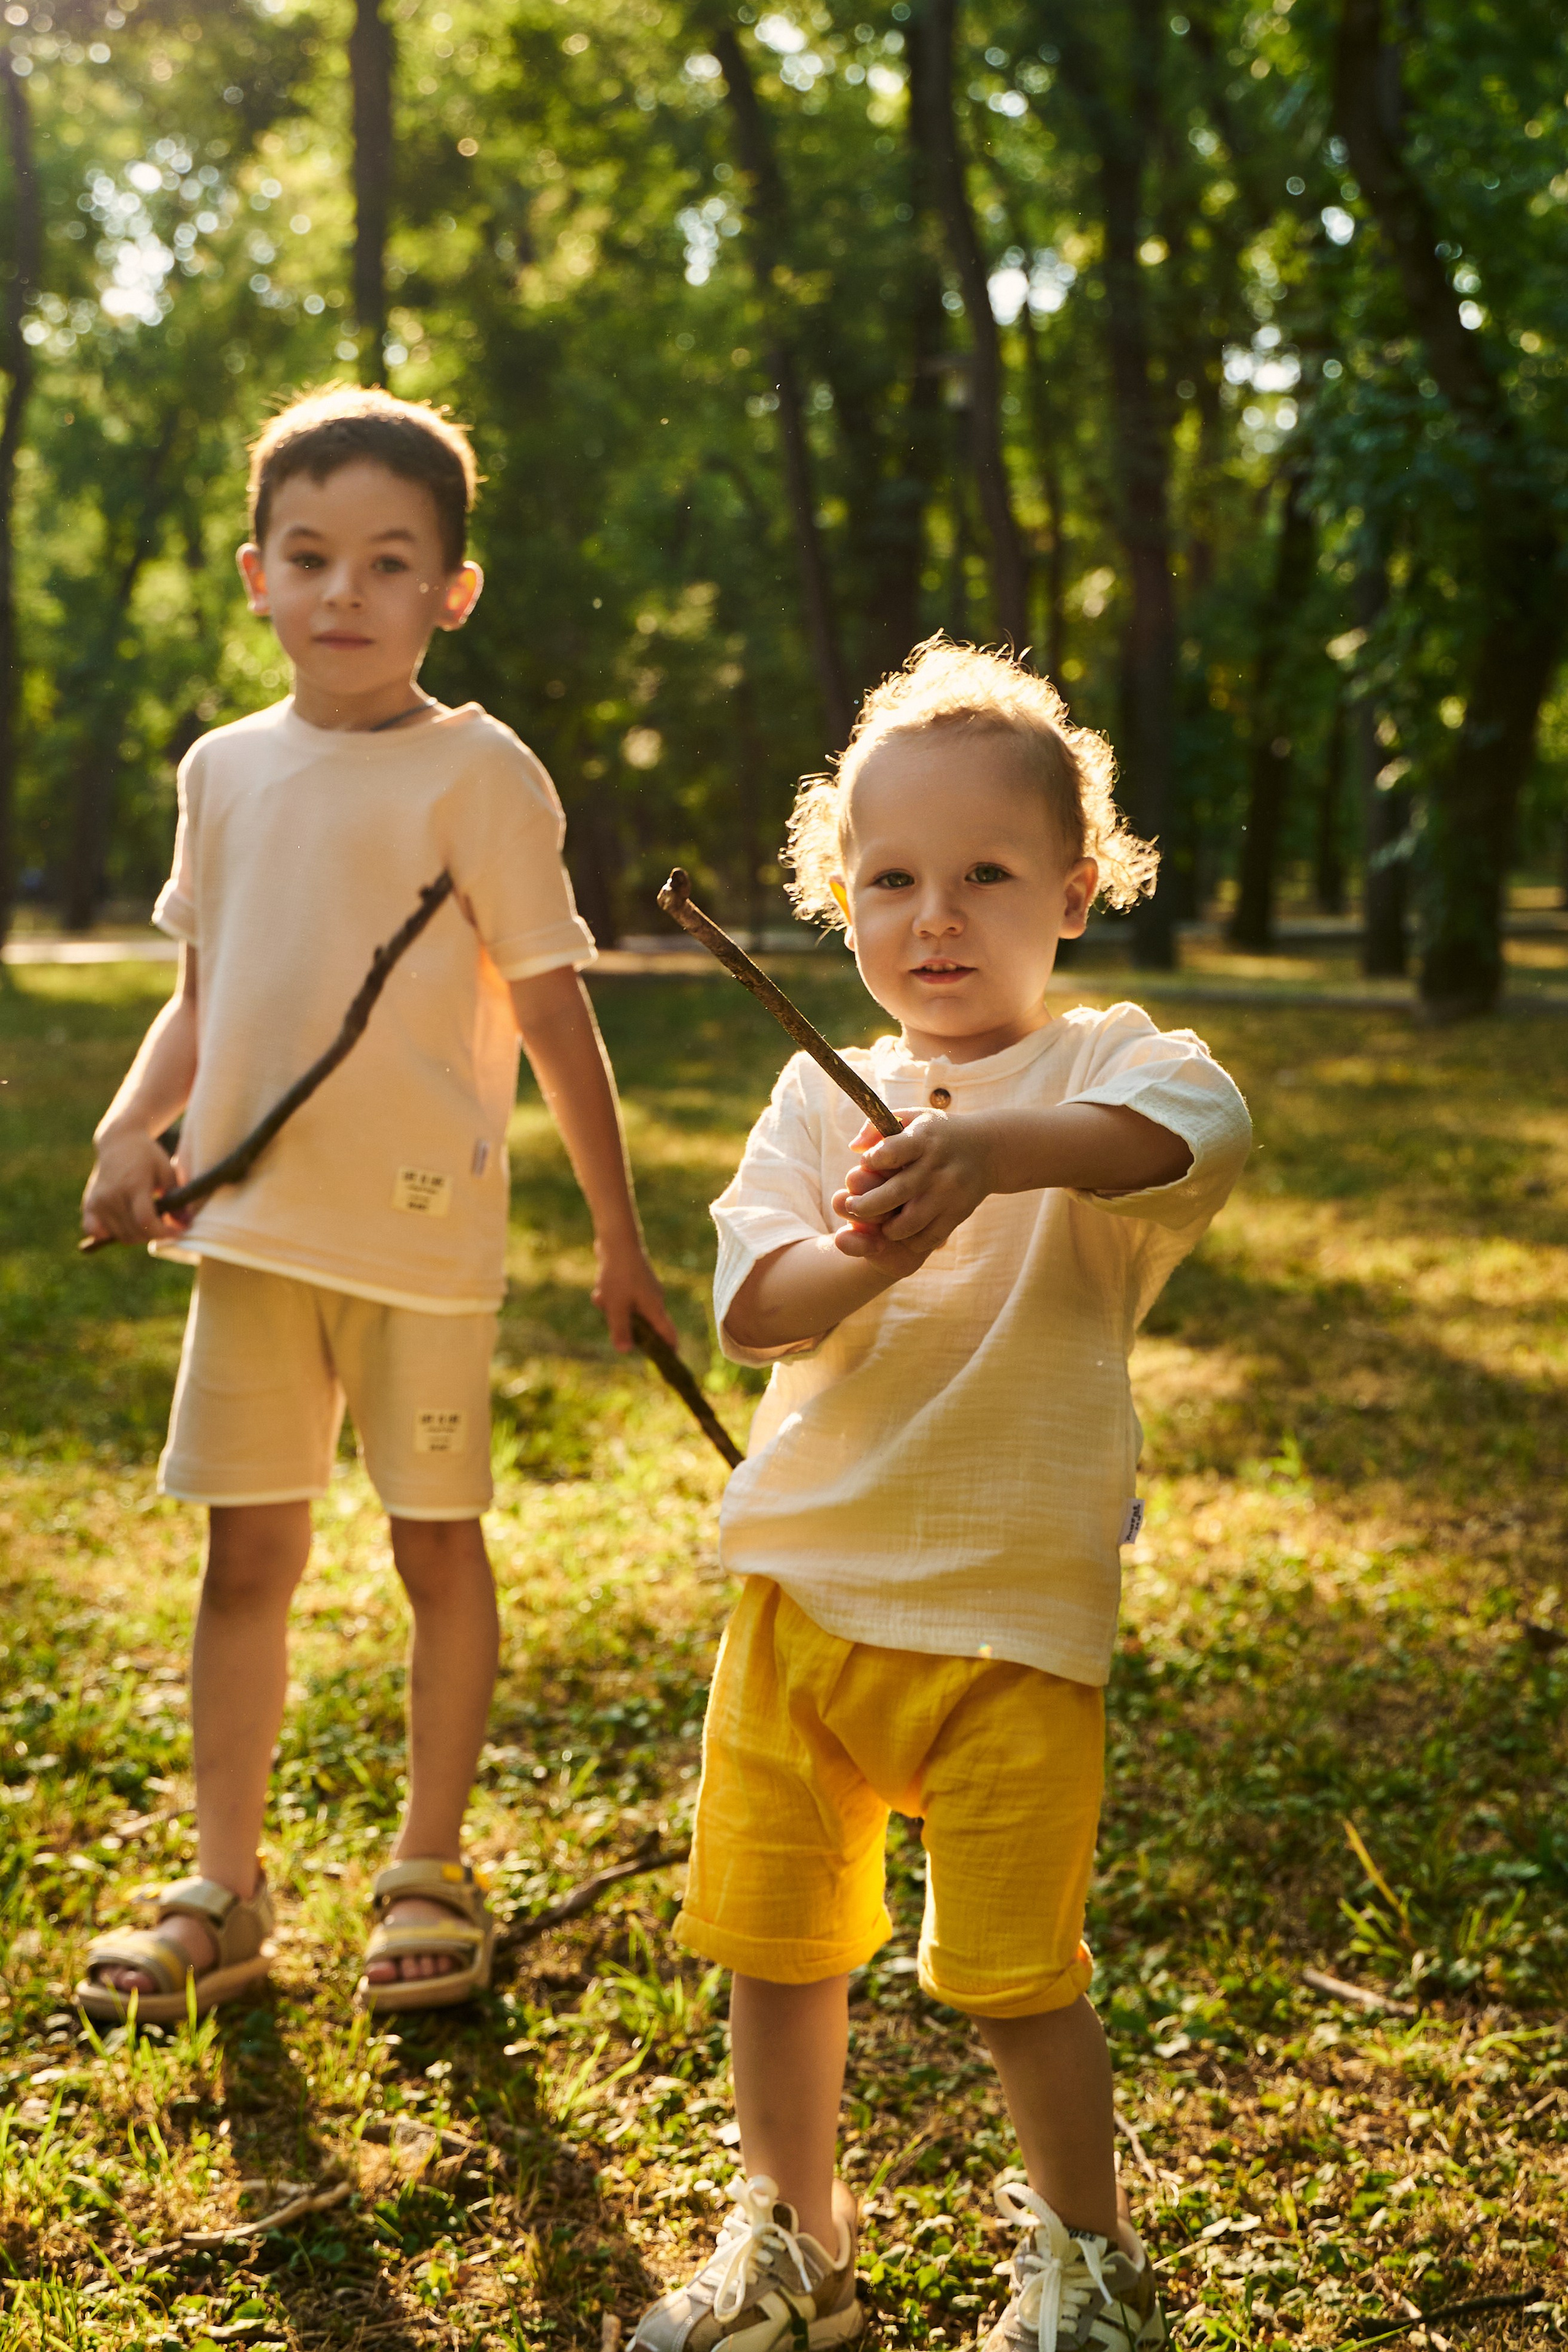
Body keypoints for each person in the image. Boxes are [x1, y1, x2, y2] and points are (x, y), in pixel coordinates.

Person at [631, 640, 1251, 2352]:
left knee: (1015, 1975)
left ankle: (1087, 2263)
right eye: (893, 880)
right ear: (840, 900)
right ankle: (797, 2241)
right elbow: (755, 1305)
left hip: (1012, 1619)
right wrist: (872, 1250)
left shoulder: (1097, 1069)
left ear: (1075, 892)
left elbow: (1199, 1128)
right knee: (778, 1949)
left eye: (987, 874)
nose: (937, 917)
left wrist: (990, 1155)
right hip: (804, 1608)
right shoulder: (810, 1098)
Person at [77, 385, 673, 2022]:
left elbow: (554, 1017)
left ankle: (429, 1864)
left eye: (391, 561)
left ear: (451, 593)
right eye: (311, 555)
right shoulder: (222, 770)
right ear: (256, 575)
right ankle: (224, 1887)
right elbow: (203, 996)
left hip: (421, 1244)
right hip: (253, 1240)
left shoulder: (480, 774)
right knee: (244, 1559)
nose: (346, 592)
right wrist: (130, 1127)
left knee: (435, 1546)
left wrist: (619, 1240)